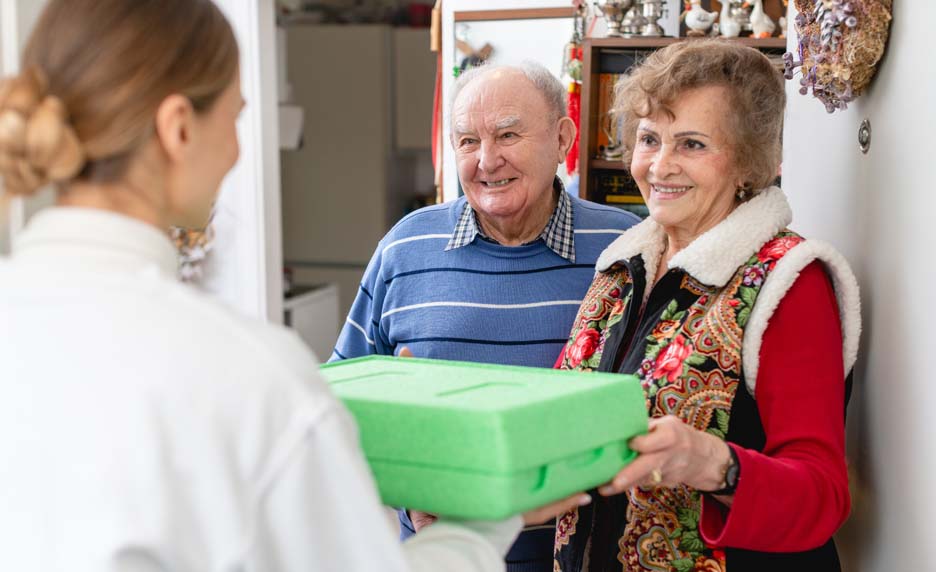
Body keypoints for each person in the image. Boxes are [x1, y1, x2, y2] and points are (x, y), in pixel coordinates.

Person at [0, 2, 588, 571]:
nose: (237, 150)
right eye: (235, 117)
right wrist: (485, 522)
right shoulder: (243, 369)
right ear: (179, 128)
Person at [552, 40, 860, 571]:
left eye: (691, 144)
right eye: (649, 139)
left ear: (747, 161)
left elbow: (823, 496)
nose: (659, 165)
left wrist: (711, 463)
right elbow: (564, 443)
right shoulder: (620, 270)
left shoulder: (790, 280)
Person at [331, 62, 640, 572]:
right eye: (467, 141)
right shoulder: (406, 247)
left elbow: (654, 405)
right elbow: (337, 413)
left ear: (562, 137)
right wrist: (406, 487)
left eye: (508, 134)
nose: (486, 160)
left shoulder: (623, 249)